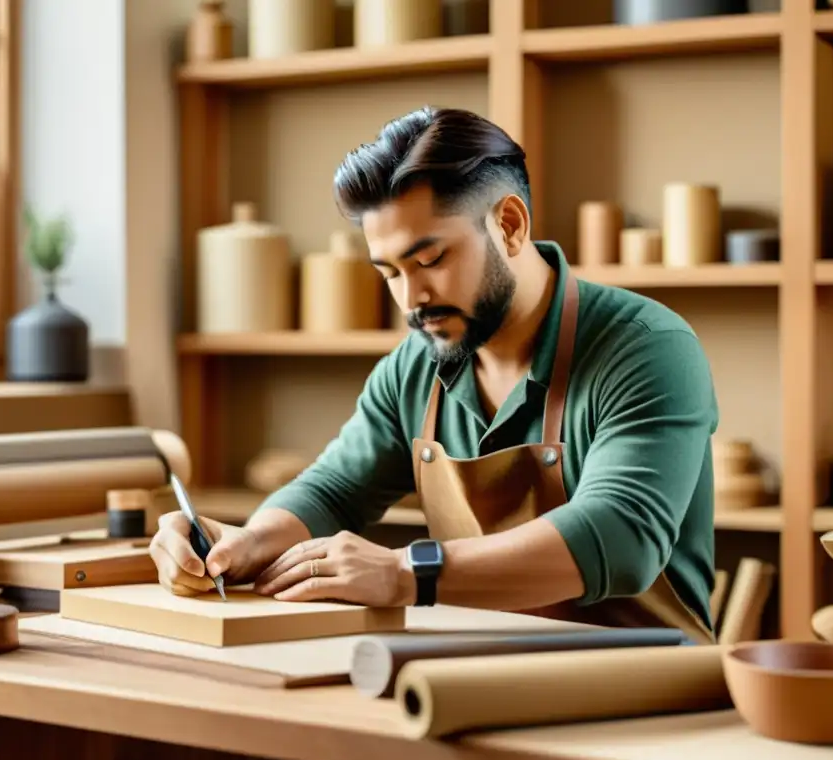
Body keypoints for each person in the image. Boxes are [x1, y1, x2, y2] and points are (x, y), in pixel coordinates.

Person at [149, 106, 719, 642]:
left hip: (650, 694)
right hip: (478, 670)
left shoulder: (647, 349)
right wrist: (247, 542)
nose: (411, 299)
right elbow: (335, 490)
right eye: (390, 272)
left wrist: (404, 572)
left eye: (429, 261)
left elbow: (621, 537)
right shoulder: (414, 366)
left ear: (511, 225)